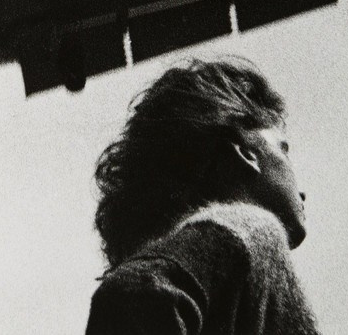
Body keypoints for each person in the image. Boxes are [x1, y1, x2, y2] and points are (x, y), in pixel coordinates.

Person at [85, 57, 319, 334]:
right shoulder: (250, 228)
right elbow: (134, 291)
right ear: (245, 154)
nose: (302, 192)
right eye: (283, 149)